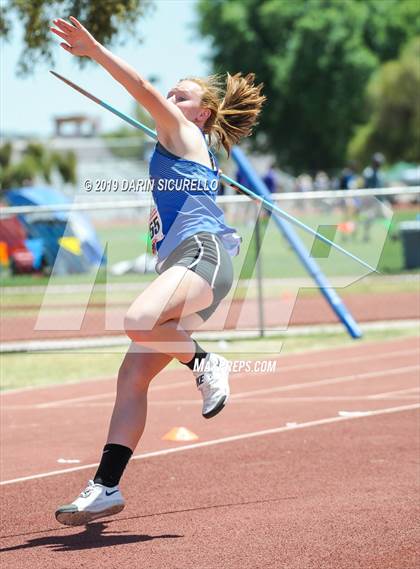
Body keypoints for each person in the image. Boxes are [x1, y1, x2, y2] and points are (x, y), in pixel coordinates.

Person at [50, 16, 265, 526]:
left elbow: (141, 87)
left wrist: (95, 51)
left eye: (182, 95)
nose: (171, 99)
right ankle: (105, 487)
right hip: (188, 259)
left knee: (139, 317)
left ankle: (207, 364)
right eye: (172, 95)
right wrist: (160, 220)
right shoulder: (184, 148)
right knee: (131, 377)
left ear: (204, 111)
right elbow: (181, 200)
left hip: (204, 256)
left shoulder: (184, 131)